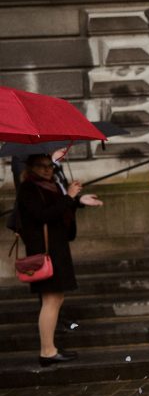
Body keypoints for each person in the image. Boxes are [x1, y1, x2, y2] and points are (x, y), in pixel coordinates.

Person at [14, 153, 103, 365]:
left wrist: (78, 199)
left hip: (57, 248)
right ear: (30, 167)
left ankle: (49, 347)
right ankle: (47, 351)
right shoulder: (29, 188)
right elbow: (44, 215)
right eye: (41, 166)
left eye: (50, 166)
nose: (47, 170)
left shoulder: (49, 185)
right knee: (51, 300)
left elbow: (60, 207)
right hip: (45, 250)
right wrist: (69, 196)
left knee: (56, 299)